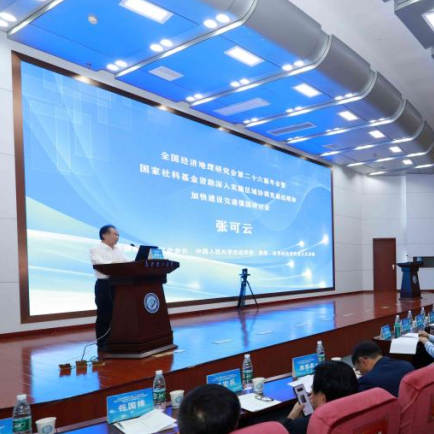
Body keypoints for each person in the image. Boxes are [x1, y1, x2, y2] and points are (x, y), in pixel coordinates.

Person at [284, 361, 358, 434]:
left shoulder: (301, 426)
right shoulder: (360, 415)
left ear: (323, 398)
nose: (311, 392)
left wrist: (291, 418)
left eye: (312, 388)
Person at [90, 225, 129, 347]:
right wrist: (118, 265)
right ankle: (102, 342)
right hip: (104, 285)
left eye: (118, 235)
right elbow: (101, 264)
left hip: (119, 284)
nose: (117, 237)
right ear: (104, 235)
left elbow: (128, 264)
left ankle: (117, 339)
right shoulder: (95, 249)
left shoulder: (118, 250)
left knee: (119, 314)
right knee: (104, 314)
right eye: (115, 234)